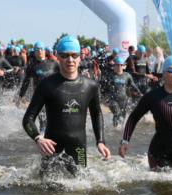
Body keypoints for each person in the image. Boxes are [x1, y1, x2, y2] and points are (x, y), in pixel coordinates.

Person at [22, 36, 109, 174]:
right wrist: (38, 139)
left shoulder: (91, 86)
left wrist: (100, 141)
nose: (70, 60)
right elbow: (28, 118)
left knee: (79, 188)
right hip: (51, 148)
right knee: (47, 190)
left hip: (79, 147)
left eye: (74, 55)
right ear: (57, 57)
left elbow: (97, 114)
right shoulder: (46, 85)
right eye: (65, 55)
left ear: (80, 57)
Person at [106, 57, 138, 127]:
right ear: (114, 66)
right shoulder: (111, 76)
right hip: (113, 100)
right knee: (117, 113)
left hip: (124, 100)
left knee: (122, 118)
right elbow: (105, 88)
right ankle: (115, 129)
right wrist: (106, 98)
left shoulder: (127, 75)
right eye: (117, 65)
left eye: (121, 65)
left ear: (123, 66)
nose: (119, 67)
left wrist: (139, 92)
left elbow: (133, 85)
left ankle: (118, 132)